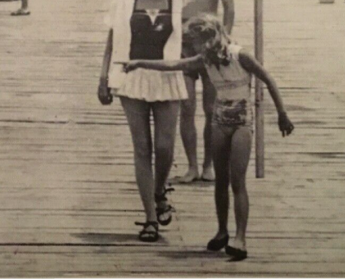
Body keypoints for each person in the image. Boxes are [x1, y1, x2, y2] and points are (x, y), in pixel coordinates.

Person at [124, 14, 294, 259]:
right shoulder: (205, 60)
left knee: (237, 181)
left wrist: (282, 113)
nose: (192, 48)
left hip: (241, 122)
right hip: (219, 121)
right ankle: (222, 230)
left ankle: (241, 238)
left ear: (209, 38)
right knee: (221, 182)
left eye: (194, 42)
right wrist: (139, 62)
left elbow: (267, 79)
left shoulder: (240, 55)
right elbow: (173, 65)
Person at [98, 0, 209, 243]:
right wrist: (104, 76)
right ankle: (149, 218)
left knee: (164, 146)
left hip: (167, 74)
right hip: (130, 73)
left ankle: (160, 190)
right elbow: (112, 34)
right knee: (142, 147)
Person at [166, 0, 235, 185]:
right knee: (186, 107)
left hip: (209, 43)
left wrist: (224, 38)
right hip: (179, 43)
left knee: (211, 108)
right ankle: (192, 165)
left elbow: (228, 5)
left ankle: (208, 165)